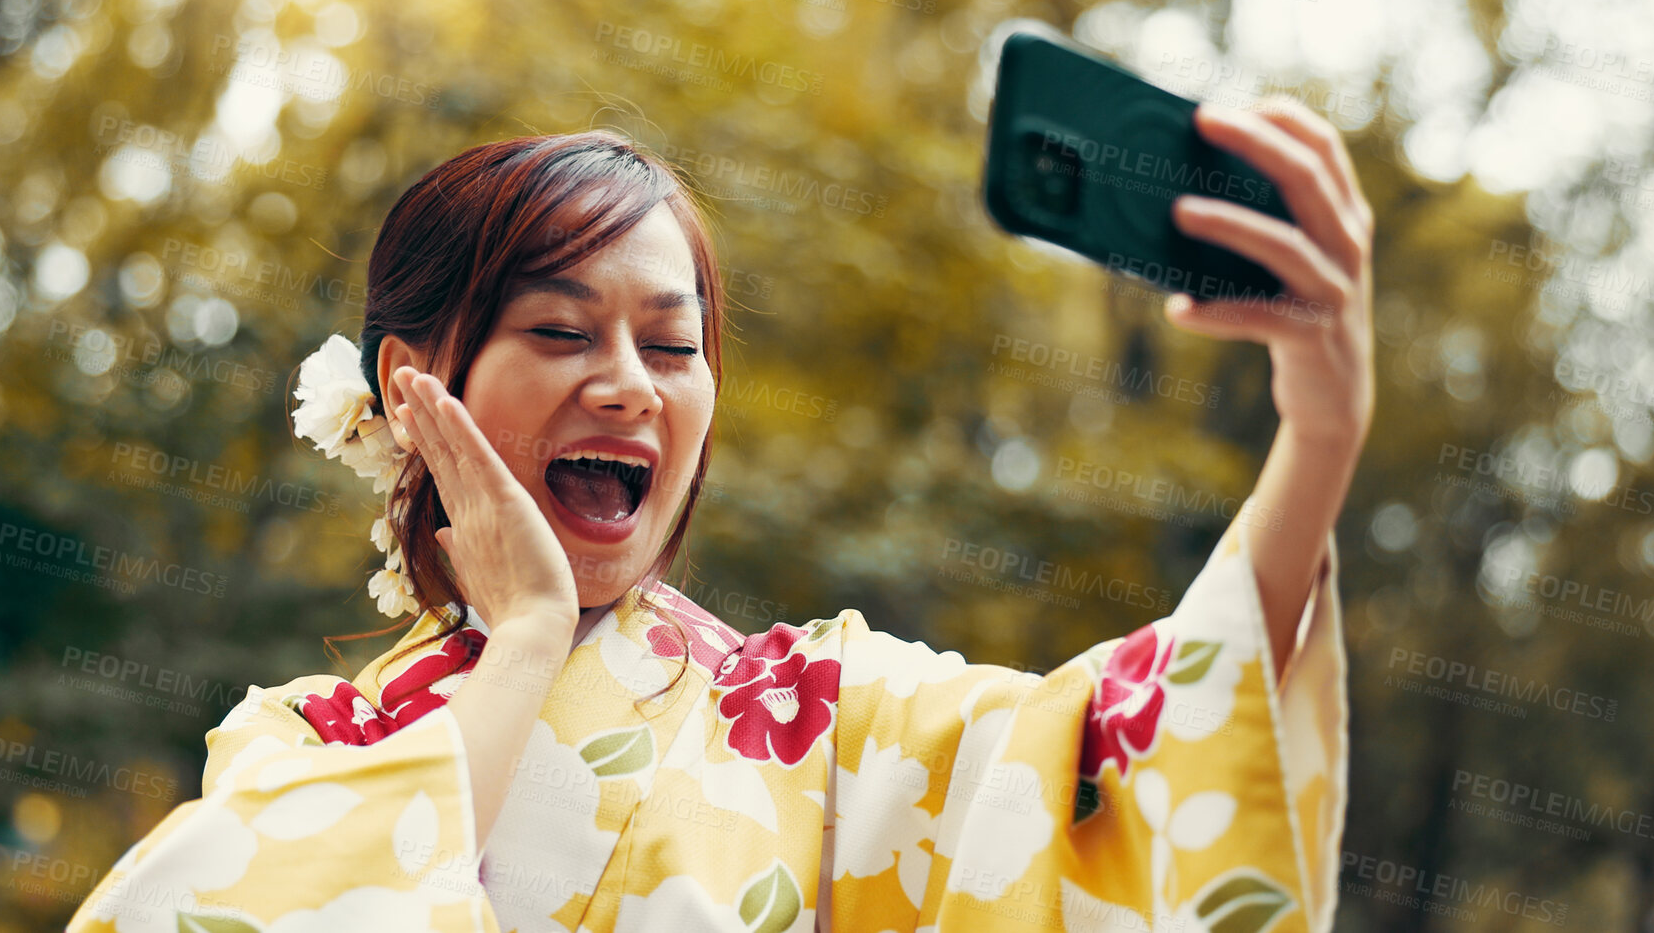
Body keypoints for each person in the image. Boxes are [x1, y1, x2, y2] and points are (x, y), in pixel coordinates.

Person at [66, 106, 1373, 933]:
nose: (630, 385)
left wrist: (1317, 436)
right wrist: (522, 639)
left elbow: (1120, 754)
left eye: (673, 346)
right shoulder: (304, 740)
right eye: (563, 331)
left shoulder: (818, 714)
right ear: (416, 387)